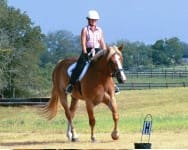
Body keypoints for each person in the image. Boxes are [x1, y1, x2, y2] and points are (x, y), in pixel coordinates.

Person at [65, 10, 120, 94]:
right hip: (87, 50)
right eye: (92, 19)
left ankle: (113, 85)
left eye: (95, 20)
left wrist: (105, 52)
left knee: (107, 65)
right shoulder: (85, 30)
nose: (93, 21)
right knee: (79, 66)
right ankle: (71, 85)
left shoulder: (100, 30)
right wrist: (85, 53)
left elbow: (101, 41)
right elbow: (83, 42)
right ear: (88, 20)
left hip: (98, 50)